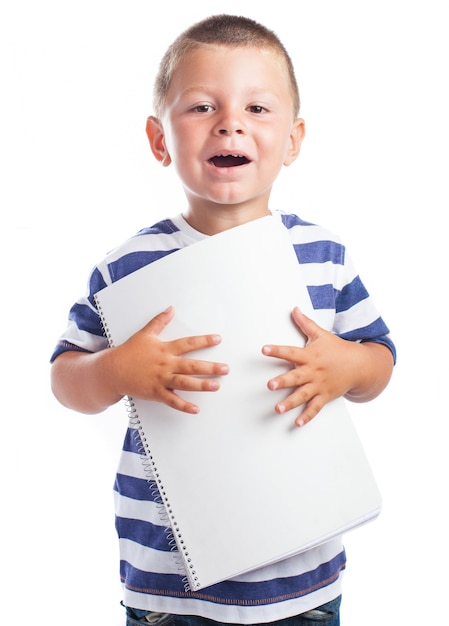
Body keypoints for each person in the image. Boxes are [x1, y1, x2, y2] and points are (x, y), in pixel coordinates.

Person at [50, 14, 396, 626]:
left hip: (302, 582)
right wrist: (115, 369)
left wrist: (348, 366)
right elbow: (65, 378)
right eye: (202, 106)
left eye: (258, 108)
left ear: (293, 139)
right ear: (160, 140)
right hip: (169, 588)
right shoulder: (126, 267)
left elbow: (379, 361)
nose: (231, 122)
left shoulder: (324, 255)